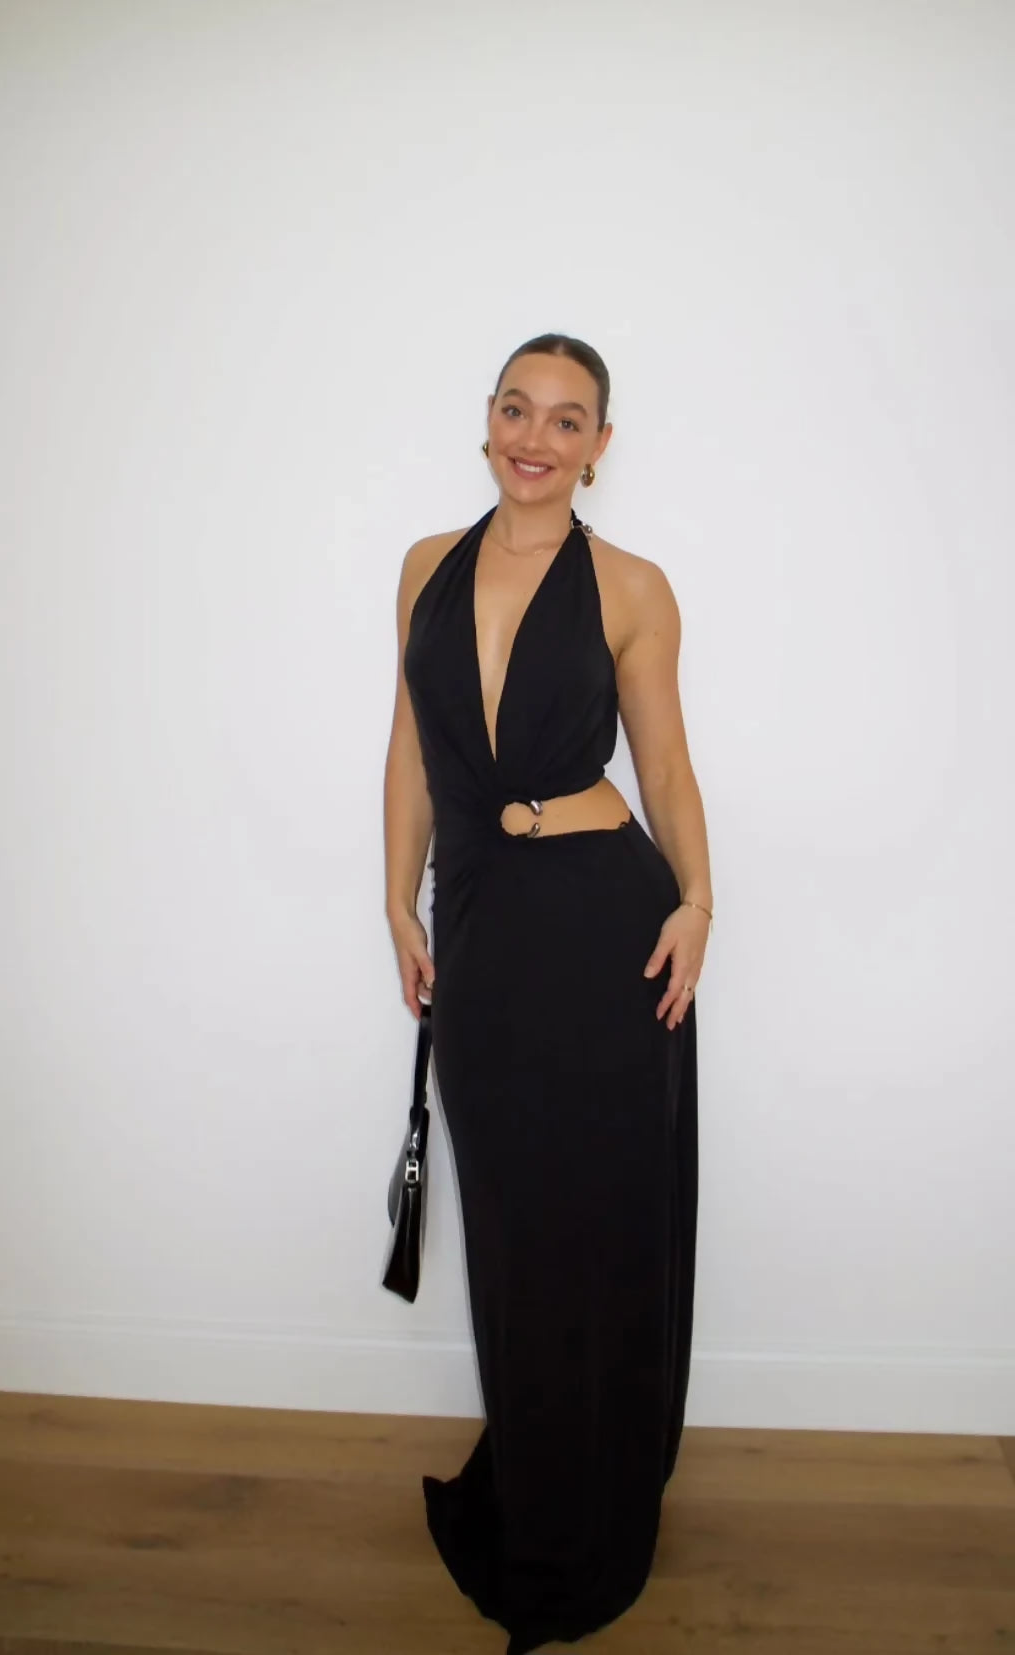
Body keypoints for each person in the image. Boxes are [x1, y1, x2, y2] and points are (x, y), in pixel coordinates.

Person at [383, 333, 712, 1654]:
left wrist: (698, 902)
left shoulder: (632, 586)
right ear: (489, 421)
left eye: (567, 420)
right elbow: (410, 745)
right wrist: (396, 901)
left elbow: (666, 765)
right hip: (481, 924)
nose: (536, 437)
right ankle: (535, 1488)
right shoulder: (426, 566)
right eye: (518, 409)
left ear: (599, 447)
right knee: (518, 1231)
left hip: (604, 929)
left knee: (596, 1224)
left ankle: (591, 1516)